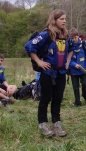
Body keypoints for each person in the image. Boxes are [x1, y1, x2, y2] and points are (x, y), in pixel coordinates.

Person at [25, 9, 70, 138]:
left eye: (65, 19)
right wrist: (39, 61)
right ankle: (42, 123)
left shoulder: (64, 35)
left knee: (58, 98)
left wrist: (67, 62)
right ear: (54, 20)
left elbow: (71, 48)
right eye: (61, 19)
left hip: (61, 72)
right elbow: (29, 46)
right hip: (48, 73)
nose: (64, 21)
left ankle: (56, 123)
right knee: (46, 97)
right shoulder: (46, 34)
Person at [68, 28, 86, 107]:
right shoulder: (69, 46)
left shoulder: (84, 44)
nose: (73, 40)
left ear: (78, 36)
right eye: (71, 38)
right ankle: (77, 101)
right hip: (73, 71)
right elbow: (68, 59)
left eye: (75, 38)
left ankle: (85, 96)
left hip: (83, 70)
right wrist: (74, 65)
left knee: (85, 84)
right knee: (75, 87)